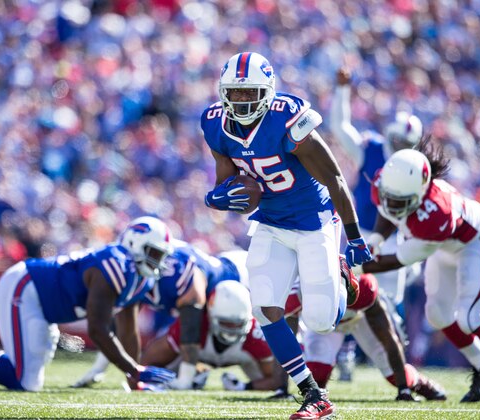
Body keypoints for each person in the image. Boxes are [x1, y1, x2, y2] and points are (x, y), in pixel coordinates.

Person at [201, 51, 372, 419]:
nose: (242, 100)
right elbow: (232, 189)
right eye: (235, 92)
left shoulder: (288, 120)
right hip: (271, 223)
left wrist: (354, 238)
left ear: (268, 92)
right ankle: (313, 394)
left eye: (251, 93)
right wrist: (216, 198)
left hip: (314, 222)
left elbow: (336, 178)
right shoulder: (215, 123)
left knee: (321, 321)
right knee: (264, 308)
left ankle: (341, 277)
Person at [355, 141, 480, 406]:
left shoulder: (435, 215)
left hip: (475, 241)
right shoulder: (393, 183)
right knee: (438, 314)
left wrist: (358, 265)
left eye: (400, 201)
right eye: (389, 196)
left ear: (420, 192)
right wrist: (375, 239)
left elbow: (399, 259)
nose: (391, 203)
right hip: (445, 246)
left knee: (471, 317)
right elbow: (388, 210)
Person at [0, 216, 177, 392]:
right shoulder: (114, 265)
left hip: (44, 307)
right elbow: (98, 329)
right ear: (135, 244)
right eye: (155, 254)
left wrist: (134, 377)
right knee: (23, 380)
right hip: (25, 287)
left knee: (29, 381)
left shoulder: (138, 278)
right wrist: (134, 368)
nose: (158, 263)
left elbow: (128, 328)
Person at [329, 68, 424, 381]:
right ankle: (344, 350)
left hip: (395, 238)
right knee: (348, 291)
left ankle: (395, 361)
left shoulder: (414, 165)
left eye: (405, 143)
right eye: (397, 140)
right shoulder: (371, 150)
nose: (399, 147)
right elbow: (340, 127)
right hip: (362, 234)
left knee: (389, 301)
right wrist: (342, 90)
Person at [303, 271, 446, 402]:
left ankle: (420, 383)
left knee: (393, 373)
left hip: (360, 316)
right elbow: (285, 326)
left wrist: (403, 389)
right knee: (317, 373)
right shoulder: (307, 286)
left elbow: (389, 339)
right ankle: (309, 395)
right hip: (323, 321)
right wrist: (281, 387)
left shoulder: (364, 289)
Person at [140, 280, 286, 392]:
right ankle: (190, 373)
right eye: (226, 323)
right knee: (164, 370)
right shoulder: (196, 323)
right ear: (210, 314)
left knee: (268, 378)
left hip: (247, 360)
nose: (232, 330)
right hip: (190, 358)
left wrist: (244, 386)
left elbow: (275, 380)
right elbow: (147, 361)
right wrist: (170, 379)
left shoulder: (255, 334)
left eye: (237, 324)